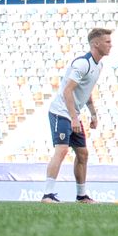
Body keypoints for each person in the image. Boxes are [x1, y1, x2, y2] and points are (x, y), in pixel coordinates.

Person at [41, 28, 112, 203]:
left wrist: (93, 114)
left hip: (73, 114)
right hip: (60, 112)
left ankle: (81, 196)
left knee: (83, 153)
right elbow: (67, 91)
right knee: (62, 149)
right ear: (96, 44)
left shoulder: (99, 66)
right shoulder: (82, 64)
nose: (111, 45)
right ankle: (47, 195)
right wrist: (74, 118)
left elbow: (86, 91)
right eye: (107, 42)